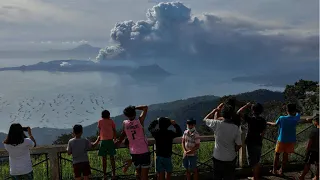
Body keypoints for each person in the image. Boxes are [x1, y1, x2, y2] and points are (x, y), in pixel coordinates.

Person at [203, 104, 242, 180]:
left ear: (223, 114)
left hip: (218, 157)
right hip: (230, 158)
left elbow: (205, 119)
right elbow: (239, 145)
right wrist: (234, 150)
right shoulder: (236, 128)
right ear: (231, 115)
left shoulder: (217, 124)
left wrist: (215, 110)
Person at [117, 105, 150, 180]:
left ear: (126, 115)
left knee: (138, 173)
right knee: (144, 176)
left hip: (134, 152)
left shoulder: (125, 123)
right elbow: (145, 107)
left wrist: (119, 141)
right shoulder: (139, 121)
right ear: (134, 113)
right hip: (144, 150)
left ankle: (127, 164)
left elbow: (123, 133)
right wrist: (134, 107)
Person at [267, 103, 301, 176]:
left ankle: (274, 170)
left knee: (277, 154)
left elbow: (275, 124)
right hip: (291, 140)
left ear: (287, 110)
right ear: (294, 111)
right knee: (285, 156)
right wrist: (296, 111)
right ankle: (281, 171)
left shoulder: (282, 118)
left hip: (281, 139)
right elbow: (299, 112)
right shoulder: (296, 118)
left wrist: (267, 122)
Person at [237, 102, 266, 180]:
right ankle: (256, 176)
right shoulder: (263, 120)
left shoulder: (251, 119)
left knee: (253, 162)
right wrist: (260, 139)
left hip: (251, 142)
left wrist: (246, 105)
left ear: (253, 110)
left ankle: (255, 177)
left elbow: (238, 112)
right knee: (257, 160)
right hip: (258, 142)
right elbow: (263, 132)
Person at [97, 110, 117, 180]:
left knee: (104, 159)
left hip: (103, 141)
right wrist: (115, 138)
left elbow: (99, 129)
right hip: (110, 141)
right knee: (112, 159)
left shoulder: (100, 121)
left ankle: (104, 175)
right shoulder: (111, 121)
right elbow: (114, 130)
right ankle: (114, 174)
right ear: (108, 115)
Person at [299, 114, 319, 180]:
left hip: (312, 150)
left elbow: (310, 142)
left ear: (316, 122)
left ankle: (302, 176)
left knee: (308, 164)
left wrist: (307, 150)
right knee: (318, 164)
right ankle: (317, 177)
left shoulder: (314, 131)